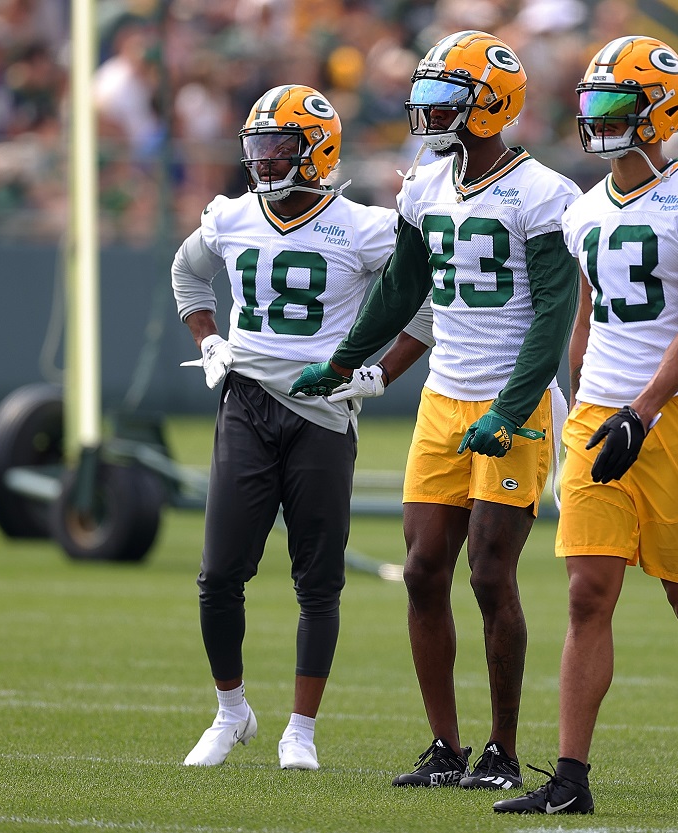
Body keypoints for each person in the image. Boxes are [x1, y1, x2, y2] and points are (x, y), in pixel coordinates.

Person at [290, 30, 581, 791]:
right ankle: (445, 746)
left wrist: (515, 410)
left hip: (509, 401)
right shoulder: (424, 185)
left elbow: (553, 314)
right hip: (444, 397)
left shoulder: (545, 193)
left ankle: (503, 750)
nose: (431, 111)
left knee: (490, 573)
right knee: (423, 570)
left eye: (448, 97)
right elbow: (400, 288)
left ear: (491, 105)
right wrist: (347, 358)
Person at [493, 35, 678, 816]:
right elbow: (585, 321)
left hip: (676, 420)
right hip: (601, 418)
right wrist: (587, 404)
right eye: (592, 105)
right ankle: (570, 777)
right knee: (587, 591)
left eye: (617, 103)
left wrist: (639, 413)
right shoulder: (583, 211)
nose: (600, 119)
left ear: (661, 111)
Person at [172, 84, 398, 770]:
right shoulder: (231, 217)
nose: (263, 161)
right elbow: (188, 275)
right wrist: (210, 340)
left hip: (322, 413)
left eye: (277, 148)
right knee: (218, 573)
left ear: (317, 149)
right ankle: (231, 711)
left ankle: (300, 728)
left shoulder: (362, 227)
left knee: (318, 578)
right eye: (257, 148)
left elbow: (419, 303)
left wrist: (378, 372)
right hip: (245, 401)